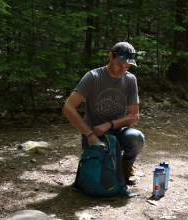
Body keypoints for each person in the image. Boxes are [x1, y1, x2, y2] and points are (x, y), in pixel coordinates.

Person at [62, 42, 145, 185]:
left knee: (136, 138)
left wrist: (110, 124)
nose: (124, 69)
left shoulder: (130, 79)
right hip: (95, 134)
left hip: (118, 132)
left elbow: (134, 115)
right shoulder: (93, 77)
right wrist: (89, 135)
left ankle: (126, 167)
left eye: (128, 66)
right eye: (121, 64)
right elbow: (68, 107)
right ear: (111, 57)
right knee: (101, 178)